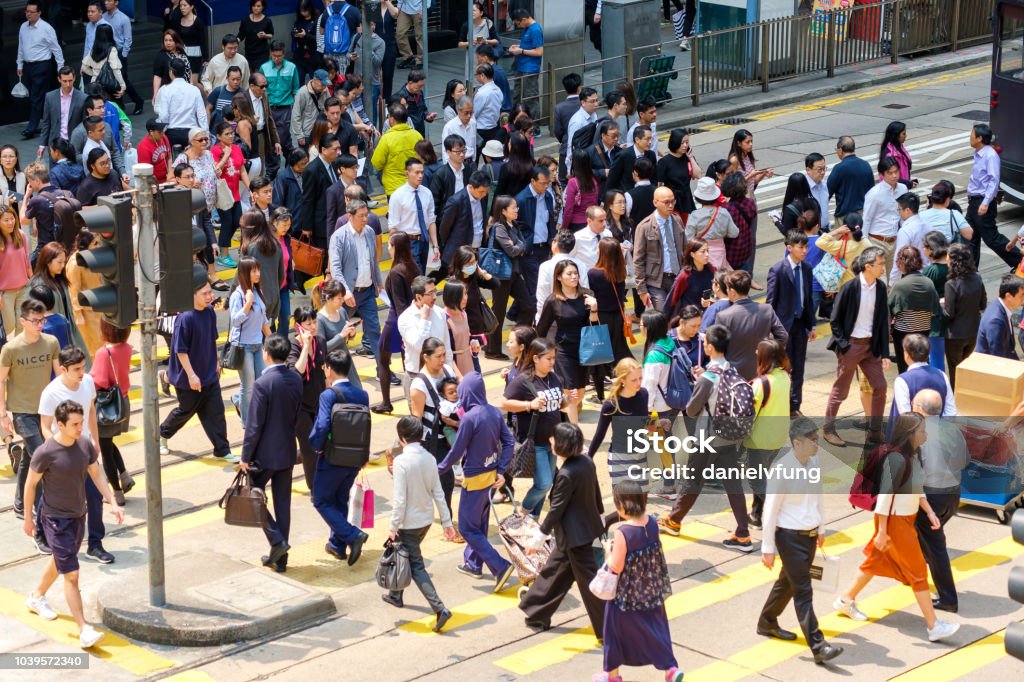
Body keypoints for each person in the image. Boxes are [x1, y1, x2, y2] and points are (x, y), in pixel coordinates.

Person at [833, 414, 960, 642]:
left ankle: (845, 600)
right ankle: (933, 626)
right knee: (918, 573)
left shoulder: (913, 455)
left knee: (875, 561)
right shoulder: (897, 460)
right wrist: (882, 531)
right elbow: (884, 497)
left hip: (904, 520)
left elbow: (916, 486)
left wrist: (929, 510)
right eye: (921, 430)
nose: (925, 434)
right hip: (894, 523)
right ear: (910, 434)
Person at [22, 398, 121, 649]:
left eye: (81, 423)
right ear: (60, 424)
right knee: (72, 575)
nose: (80, 428)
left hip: (78, 516)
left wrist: (112, 501)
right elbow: (30, 484)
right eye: (75, 424)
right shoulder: (46, 452)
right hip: (55, 520)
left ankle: (36, 597)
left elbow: (97, 474)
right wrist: (27, 519)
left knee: (60, 560)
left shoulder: (85, 445)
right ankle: (83, 629)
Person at [657, 324, 753, 551]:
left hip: (706, 438)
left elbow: (691, 410)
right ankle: (743, 533)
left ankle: (674, 521)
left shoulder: (708, 377)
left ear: (709, 347)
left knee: (692, 480)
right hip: (728, 435)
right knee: (732, 483)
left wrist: (699, 383)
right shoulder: (731, 370)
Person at [758, 418, 844, 664]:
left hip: (808, 534)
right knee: (803, 591)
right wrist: (767, 548)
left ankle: (767, 621)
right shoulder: (782, 469)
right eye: (813, 441)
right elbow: (770, 511)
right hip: (789, 537)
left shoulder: (814, 463)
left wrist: (821, 528)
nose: (818, 445)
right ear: (797, 443)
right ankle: (818, 646)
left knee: (788, 581)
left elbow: (818, 496)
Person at [520, 422, 605, 636]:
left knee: (590, 585)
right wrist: (601, 519)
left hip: (575, 537)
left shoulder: (567, 473)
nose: (550, 441)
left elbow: (556, 509)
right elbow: (596, 492)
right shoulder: (586, 461)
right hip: (582, 531)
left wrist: (538, 539)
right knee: (556, 572)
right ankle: (537, 613)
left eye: (554, 439)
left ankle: (608, 628)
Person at [598, 481, 685, 682]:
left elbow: (616, 566)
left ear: (622, 505)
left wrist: (608, 551)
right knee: (657, 629)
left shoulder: (623, 532)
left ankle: (612, 676)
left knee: (613, 632)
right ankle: (670, 669)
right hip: (651, 590)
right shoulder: (653, 523)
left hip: (626, 594)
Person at [436, 371, 516, 588]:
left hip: (474, 479)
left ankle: (500, 566)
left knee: (467, 527)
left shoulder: (470, 418)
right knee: (479, 525)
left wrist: (440, 469)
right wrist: (501, 470)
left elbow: (457, 451)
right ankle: (473, 564)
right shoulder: (494, 412)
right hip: (491, 477)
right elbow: (509, 442)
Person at [39, 346, 113, 565]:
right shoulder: (51, 393)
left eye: (83, 367)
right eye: (77, 369)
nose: (82, 373)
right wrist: (54, 451)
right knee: (55, 496)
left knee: (94, 495)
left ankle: (96, 544)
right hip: (61, 453)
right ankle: (41, 529)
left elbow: (90, 412)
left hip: (84, 449)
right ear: (63, 369)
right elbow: (44, 426)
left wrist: (95, 441)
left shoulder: (87, 383)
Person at [237, 334, 302, 572]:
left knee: (254, 498)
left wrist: (245, 456)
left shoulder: (263, 385)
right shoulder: (295, 379)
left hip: (264, 455)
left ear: (266, 354)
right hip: (287, 450)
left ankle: (277, 541)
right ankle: (281, 559)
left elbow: (254, 426)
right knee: (283, 503)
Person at [385, 415, 456, 629]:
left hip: (408, 523)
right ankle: (395, 595)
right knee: (406, 555)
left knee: (416, 566)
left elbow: (399, 500)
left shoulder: (401, 462)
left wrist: (392, 526)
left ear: (402, 438)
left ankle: (440, 608)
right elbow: (438, 492)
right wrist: (446, 522)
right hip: (425, 521)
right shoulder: (430, 458)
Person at [3, 298, 61, 541]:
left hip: (45, 410)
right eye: (35, 321)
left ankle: (19, 503)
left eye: (42, 320)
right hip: (22, 411)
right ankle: (39, 511)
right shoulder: (11, 349)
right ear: (22, 321)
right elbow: (1, 380)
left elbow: (59, 375)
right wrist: (2, 413)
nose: (40, 325)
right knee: (42, 457)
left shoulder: (51, 343)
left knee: (29, 457)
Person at [159, 277, 235, 461]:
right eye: (205, 294)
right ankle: (162, 435)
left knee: (216, 412)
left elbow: (211, 339)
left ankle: (222, 449)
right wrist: (192, 375)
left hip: (209, 373)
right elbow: (180, 351)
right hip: (188, 378)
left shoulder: (209, 312)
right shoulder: (185, 318)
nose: (210, 296)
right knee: (186, 411)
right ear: (192, 295)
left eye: (210, 292)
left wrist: (216, 361)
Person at [823, 247, 891, 447]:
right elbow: (834, 320)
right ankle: (828, 429)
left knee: (880, 387)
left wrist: (885, 353)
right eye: (880, 264)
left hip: (871, 347)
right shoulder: (850, 287)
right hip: (851, 345)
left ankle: (875, 431)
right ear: (868, 266)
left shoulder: (880, 288)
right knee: (841, 390)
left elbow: (882, 322)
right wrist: (844, 345)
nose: (883, 268)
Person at [308, 348, 371, 565]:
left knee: (321, 500)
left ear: (329, 369)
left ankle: (353, 535)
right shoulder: (362, 394)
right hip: (355, 458)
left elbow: (323, 424)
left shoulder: (329, 395)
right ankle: (337, 545)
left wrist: (316, 445)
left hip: (332, 457)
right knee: (340, 498)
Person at [910, 388, 968, 614]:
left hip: (931, 497)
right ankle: (919, 571)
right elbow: (964, 461)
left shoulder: (918, 433)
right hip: (952, 495)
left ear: (920, 409)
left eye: (914, 406)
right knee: (927, 539)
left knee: (936, 547)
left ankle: (948, 598)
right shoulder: (953, 430)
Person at [501, 338, 566, 517]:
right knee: (544, 483)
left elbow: (558, 405)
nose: (553, 362)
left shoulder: (553, 378)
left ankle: (532, 519)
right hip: (534, 441)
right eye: (549, 359)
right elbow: (504, 403)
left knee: (544, 483)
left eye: (554, 358)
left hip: (552, 442)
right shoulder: (524, 380)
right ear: (536, 358)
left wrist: (568, 400)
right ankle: (522, 513)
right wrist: (529, 405)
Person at [537, 260, 598, 424]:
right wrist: (537, 352)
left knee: (580, 393)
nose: (573, 277)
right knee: (571, 394)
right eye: (569, 274)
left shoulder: (587, 295)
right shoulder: (553, 300)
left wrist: (594, 309)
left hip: (584, 349)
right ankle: (574, 435)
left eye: (575, 273)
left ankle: (556, 420)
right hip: (562, 350)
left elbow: (595, 326)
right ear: (559, 277)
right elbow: (542, 328)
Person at [766, 231, 816, 414]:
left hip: (800, 324)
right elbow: (770, 303)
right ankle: (781, 404)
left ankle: (795, 405)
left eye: (806, 247)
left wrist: (812, 325)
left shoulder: (807, 268)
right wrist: (770, 330)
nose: (804, 251)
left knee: (799, 367)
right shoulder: (778, 270)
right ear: (789, 248)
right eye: (801, 247)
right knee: (782, 368)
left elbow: (808, 298)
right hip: (782, 327)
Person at [328, 199, 383, 364]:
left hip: (367, 292)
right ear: (350, 216)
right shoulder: (339, 237)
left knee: (374, 331)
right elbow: (336, 268)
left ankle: (383, 370)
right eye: (361, 216)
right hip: (346, 295)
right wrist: (345, 292)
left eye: (366, 215)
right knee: (338, 333)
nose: (365, 219)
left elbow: (373, 261)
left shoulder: (370, 232)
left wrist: (378, 282)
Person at [744, 339, 792, 526]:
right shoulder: (785, 377)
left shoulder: (761, 383)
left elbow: (750, 414)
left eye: (758, 352)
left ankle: (777, 511)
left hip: (759, 439)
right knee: (763, 475)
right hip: (778, 436)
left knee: (756, 480)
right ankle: (757, 514)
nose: (756, 353)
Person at [588, 358, 650, 490]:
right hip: (619, 458)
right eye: (634, 380)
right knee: (624, 502)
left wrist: (655, 425)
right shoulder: (611, 405)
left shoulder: (644, 394)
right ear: (622, 380)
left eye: (640, 378)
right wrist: (588, 458)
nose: (639, 383)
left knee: (641, 501)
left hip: (640, 456)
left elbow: (644, 422)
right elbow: (600, 434)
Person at [89, 320, 133, 506]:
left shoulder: (103, 353)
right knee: (109, 442)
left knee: (104, 450)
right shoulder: (127, 348)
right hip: (122, 401)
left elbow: (98, 381)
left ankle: (116, 492)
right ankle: (124, 476)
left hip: (106, 405)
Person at [374, 233, 419, 413]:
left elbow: (399, 305)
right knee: (409, 364)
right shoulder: (413, 267)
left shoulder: (395, 272)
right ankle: (414, 402)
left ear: (396, 248)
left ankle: (386, 402)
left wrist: (404, 330)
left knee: (383, 361)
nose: (388, 249)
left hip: (396, 322)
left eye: (390, 245)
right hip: (413, 319)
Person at [714, 270, 787, 381]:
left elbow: (718, 349)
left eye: (727, 289)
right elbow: (783, 336)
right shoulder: (766, 310)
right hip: (762, 371)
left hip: (734, 377)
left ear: (732, 291)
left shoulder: (724, 316)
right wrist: (767, 351)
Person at [967, 123, 1020, 267]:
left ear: (979, 138)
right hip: (973, 202)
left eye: (972, 135)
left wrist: (985, 203)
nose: (970, 138)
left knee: (991, 239)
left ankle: (1019, 262)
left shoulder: (990, 156)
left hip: (982, 202)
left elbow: (994, 180)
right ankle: (970, 270)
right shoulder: (979, 154)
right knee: (970, 237)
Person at [286, 306, 326, 489]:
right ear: (298, 327)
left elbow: (323, 372)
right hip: (298, 406)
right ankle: (314, 488)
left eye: (314, 321)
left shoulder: (321, 342)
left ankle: (291, 457)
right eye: (308, 323)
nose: (312, 326)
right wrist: (305, 347)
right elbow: (297, 371)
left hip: (318, 402)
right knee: (310, 449)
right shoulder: (292, 346)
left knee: (321, 443)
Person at [228, 256, 270, 428]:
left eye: (258, 270)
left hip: (257, 344)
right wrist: (248, 304)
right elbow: (235, 320)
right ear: (245, 273)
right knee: (249, 385)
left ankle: (238, 400)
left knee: (262, 381)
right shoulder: (238, 295)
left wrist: (273, 341)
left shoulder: (258, 292)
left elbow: (264, 320)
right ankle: (247, 422)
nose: (258, 274)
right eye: (254, 271)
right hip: (243, 346)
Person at [888, 246, 941, 374]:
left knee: (904, 365)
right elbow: (936, 309)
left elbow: (889, 309)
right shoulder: (928, 282)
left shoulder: (900, 285)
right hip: (924, 331)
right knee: (923, 361)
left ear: (901, 263)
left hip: (903, 333)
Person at [29, 243, 89, 355]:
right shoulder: (38, 284)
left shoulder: (60, 279)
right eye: (59, 262)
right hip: (51, 331)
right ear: (47, 261)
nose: (63, 265)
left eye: (64, 262)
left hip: (67, 327)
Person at [17, 2, 65, 140]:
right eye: (27, 11)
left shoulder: (46, 28)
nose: (28, 14)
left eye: (32, 12)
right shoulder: (23, 27)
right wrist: (19, 65)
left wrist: (60, 69)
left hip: (42, 66)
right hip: (28, 67)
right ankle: (48, 123)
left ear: (39, 13)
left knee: (36, 97)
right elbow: (21, 46)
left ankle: (31, 128)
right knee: (38, 97)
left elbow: (56, 49)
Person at [727, 129, 773, 272]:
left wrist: (762, 174)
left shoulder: (748, 157)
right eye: (747, 142)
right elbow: (733, 185)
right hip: (740, 203)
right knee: (743, 238)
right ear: (739, 143)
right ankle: (742, 270)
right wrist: (750, 176)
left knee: (752, 238)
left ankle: (749, 272)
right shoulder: (734, 160)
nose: (751, 144)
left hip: (751, 199)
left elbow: (752, 184)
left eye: (751, 141)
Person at [942, 243, 986, 385]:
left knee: (955, 372)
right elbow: (983, 304)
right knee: (966, 371)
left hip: (955, 336)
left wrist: (940, 304)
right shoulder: (977, 278)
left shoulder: (951, 284)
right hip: (973, 332)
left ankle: (956, 402)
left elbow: (949, 313)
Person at [388, 158, 439, 275]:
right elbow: (393, 226)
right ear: (407, 173)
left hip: (424, 241)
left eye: (422, 172)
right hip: (407, 242)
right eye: (417, 172)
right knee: (416, 277)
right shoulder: (398, 196)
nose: (420, 175)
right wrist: (395, 250)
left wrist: (435, 245)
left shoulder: (427, 193)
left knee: (421, 275)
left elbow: (431, 221)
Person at [211, 121, 250, 266]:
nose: (231, 136)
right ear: (219, 136)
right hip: (223, 194)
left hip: (235, 192)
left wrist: (250, 187)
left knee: (237, 221)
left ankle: (222, 246)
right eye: (227, 134)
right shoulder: (215, 151)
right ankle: (224, 254)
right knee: (227, 222)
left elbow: (242, 170)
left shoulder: (237, 149)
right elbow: (215, 170)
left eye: (232, 133)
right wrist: (225, 156)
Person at [65, 231, 104, 356]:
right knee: (92, 346)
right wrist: (78, 314)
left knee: (101, 343)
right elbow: (73, 290)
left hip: (98, 309)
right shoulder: (75, 264)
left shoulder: (92, 257)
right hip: (87, 313)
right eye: (95, 243)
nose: (98, 246)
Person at [372, 104, 424, 196]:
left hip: (393, 188)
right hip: (414, 184)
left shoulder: (386, 139)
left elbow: (377, 163)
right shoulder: (417, 135)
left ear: (391, 119)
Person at [102, 0, 143, 114]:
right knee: (112, 80)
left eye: (109, 0)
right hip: (107, 53)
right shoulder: (103, 17)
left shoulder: (123, 18)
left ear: (116, 2)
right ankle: (120, 106)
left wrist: (123, 56)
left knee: (123, 79)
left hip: (119, 53)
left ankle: (138, 101)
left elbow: (128, 39)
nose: (106, 3)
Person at [157, 59, 208, 149]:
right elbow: (202, 115)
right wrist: (206, 133)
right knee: (192, 160)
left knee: (172, 161)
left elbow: (163, 115)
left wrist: (163, 132)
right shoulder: (194, 89)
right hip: (191, 132)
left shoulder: (165, 90)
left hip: (171, 132)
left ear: (171, 72)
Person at [37, 68, 87, 161]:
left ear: (74, 78)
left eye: (70, 81)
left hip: (74, 143)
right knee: (55, 173)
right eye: (64, 81)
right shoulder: (50, 97)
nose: (68, 84)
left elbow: (85, 123)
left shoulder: (82, 98)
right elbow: (46, 122)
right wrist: (42, 144)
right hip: (56, 143)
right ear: (59, 79)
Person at [0, 202, 32, 335]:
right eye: (6, 220)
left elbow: (26, 261)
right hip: (5, 293)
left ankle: (19, 354)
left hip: (23, 288)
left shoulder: (21, 235)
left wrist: (34, 281)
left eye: (12, 218)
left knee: (21, 325)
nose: (10, 222)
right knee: (8, 327)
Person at [432, 135, 476, 231]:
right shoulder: (441, 174)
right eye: (457, 151)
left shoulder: (468, 169)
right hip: (447, 217)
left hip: (465, 215)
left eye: (463, 151)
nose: (461, 154)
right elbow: (435, 202)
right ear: (448, 152)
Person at [827, 135, 874, 226]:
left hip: (845, 218)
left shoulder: (839, 168)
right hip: (864, 215)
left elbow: (827, 193)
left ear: (840, 150)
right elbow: (872, 191)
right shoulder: (866, 165)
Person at [976, 273, 1024, 359]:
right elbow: (997, 357)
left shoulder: (1001, 307)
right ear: (1008, 296)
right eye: (1022, 295)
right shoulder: (995, 321)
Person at [80, 23, 125, 102]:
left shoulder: (94, 50)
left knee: (99, 109)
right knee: (114, 108)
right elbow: (116, 70)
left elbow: (84, 67)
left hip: (96, 85)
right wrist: (122, 85)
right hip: (110, 85)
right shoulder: (112, 50)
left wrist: (95, 73)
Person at [607, 125, 656, 193]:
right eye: (647, 139)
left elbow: (654, 177)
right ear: (637, 140)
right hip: (628, 194)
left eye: (651, 139)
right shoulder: (623, 155)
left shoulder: (651, 155)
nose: (650, 142)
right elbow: (612, 179)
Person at [168, 0, 206, 85]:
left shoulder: (198, 22)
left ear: (191, 7)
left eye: (185, 5)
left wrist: (205, 58)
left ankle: (204, 96)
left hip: (195, 56)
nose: (182, 8)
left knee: (194, 82)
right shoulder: (179, 20)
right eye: (181, 6)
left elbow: (202, 41)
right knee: (185, 81)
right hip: (183, 54)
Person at [290, 70, 330, 150]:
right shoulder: (302, 92)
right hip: (307, 134)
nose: (324, 86)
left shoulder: (325, 90)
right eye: (322, 83)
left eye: (325, 84)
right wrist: (299, 135)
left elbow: (329, 107)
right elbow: (295, 115)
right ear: (315, 80)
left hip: (322, 131)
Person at [553, 73, 582, 181]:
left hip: (565, 149)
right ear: (579, 88)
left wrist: (564, 139)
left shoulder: (560, 108)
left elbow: (557, 130)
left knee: (565, 181)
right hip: (584, 148)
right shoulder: (583, 105)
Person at [237, 0, 275, 73]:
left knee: (258, 74)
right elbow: (241, 34)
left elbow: (271, 35)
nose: (255, 8)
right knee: (249, 74)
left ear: (263, 7)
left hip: (262, 52)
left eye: (258, 6)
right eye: (253, 6)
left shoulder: (267, 20)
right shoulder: (245, 20)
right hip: (249, 51)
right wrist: (235, 42)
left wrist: (265, 35)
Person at [473, 64, 505, 150]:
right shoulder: (497, 90)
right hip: (494, 128)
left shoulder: (482, 93)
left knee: (475, 157)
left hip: (481, 130)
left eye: (476, 75)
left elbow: (474, 113)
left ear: (482, 75)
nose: (476, 77)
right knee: (491, 157)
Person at [442, 98, 478, 163]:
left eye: (471, 113)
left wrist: (474, 160)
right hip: (456, 162)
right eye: (466, 113)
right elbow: (445, 150)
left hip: (470, 161)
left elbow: (474, 144)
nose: (469, 116)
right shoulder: (449, 127)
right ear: (458, 111)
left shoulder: (473, 123)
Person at [135, 118, 171, 184]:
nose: (162, 133)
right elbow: (146, 172)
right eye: (159, 132)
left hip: (167, 178)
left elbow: (169, 158)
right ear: (151, 132)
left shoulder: (164, 138)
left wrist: (170, 174)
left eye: (163, 130)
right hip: (154, 182)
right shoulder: (143, 147)